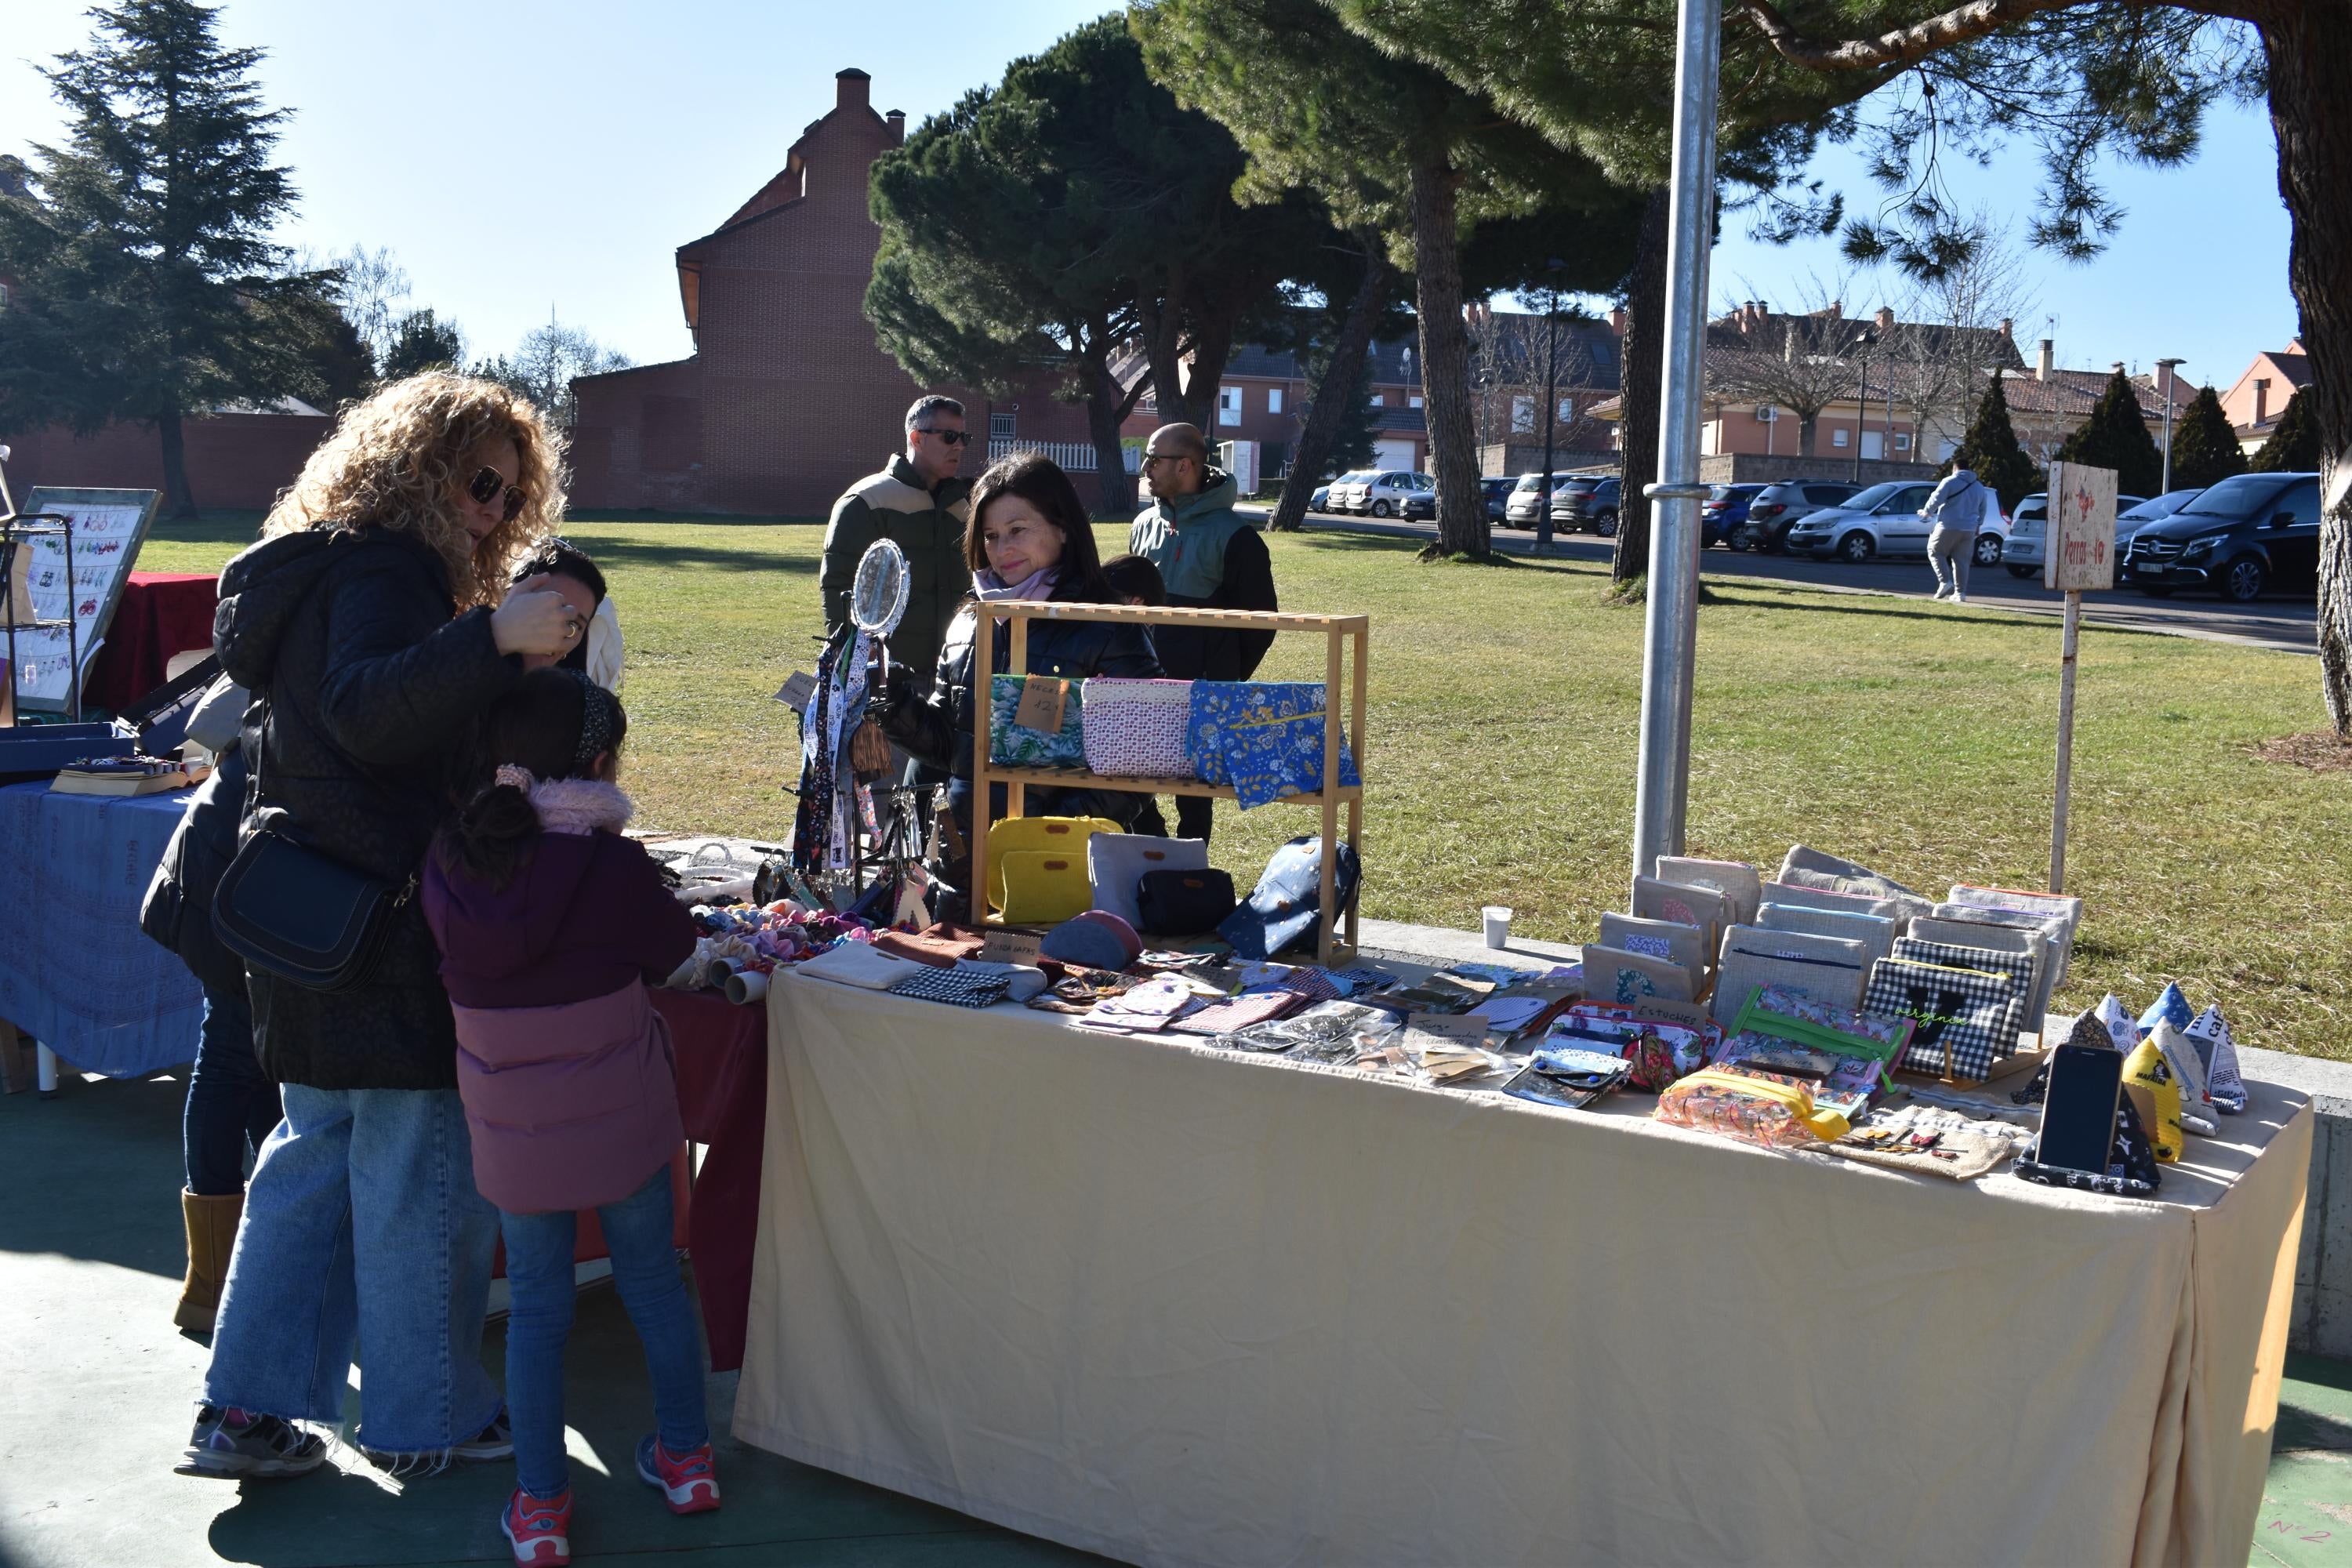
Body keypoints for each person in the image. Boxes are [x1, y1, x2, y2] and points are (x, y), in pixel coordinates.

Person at [179, 372, 582, 1480]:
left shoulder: (318, 566)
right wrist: (494, 639)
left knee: (313, 1160)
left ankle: (245, 1410)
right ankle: (429, 1413)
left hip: (307, 917)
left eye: (510, 494)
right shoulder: (388, 568)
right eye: (479, 485)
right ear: (420, 469)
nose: (494, 513)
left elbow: (349, 711)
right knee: (418, 1173)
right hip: (381, 924)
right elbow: (369, 710)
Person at [423, 670, 709, 1566]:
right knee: (655, 1282)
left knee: (539, 1312)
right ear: (595, 762)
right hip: (621, 1115)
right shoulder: (614, 863)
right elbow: (679, 953)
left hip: (514, 1131)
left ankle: (541, 1506)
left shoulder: (451, 856)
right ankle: (689, 1458)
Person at [879, 452, 1161, 906]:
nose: (1001, 548)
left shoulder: (1109, 624)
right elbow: (953, 745)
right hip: (966, 865)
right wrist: (891, 704)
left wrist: (1049, 827)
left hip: (1066, 868)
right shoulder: (971, 621)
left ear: (1063, 528)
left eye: (1018, 530)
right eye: (990, 535)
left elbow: (1140, 761)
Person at [138, 672, 279, 1338]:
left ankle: (241, 1265)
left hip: (230, 867)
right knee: (231, 1056)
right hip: (235, 874)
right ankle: (215, 1278)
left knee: (251, 1063)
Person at [1127, 423, 1276, 843]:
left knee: (1195, 792)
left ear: (1186, 466)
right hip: (1141, 680)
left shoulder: (1237, 536)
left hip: (1203, 688)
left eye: (1154, 460)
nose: (1145, 468)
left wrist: (1224, 675)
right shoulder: (1142, 524)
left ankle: (1190, 872)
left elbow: (1262, 622)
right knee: (1129, 774)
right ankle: (1151, 851)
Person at [820, 394, 975, 696]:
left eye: (963, 437)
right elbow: (838, 585)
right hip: (887, 679)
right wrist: (851, 656)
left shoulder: (967, 505)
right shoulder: (866, 501)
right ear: (916, 438)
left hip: (956, 674)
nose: (959, 446)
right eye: (949, 437)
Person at [513, 538, 622, 689]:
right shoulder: (472, 669)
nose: (556, 632)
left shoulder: (582, 703)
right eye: (548, 611)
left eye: (573, 625)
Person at [1922, 465, 2000, 604]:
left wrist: (1927, 512)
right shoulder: (1979, 486)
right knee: (1962, 561)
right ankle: (1960, 593)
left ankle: (1945, 581)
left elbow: (1936, 498)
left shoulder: (1949, 481)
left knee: (1935, 551)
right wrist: (1978, 524)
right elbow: (1983, 508)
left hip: (1948, 525)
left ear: (1955, 468)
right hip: (1969, 528)